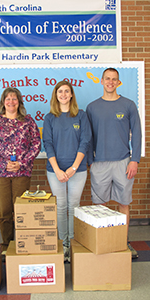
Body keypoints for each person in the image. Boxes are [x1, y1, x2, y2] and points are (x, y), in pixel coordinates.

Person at [86, 68, 142, 259]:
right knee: (99, 205)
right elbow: (88, 137)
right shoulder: (92, 107)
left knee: (123, 203)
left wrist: (134, 160)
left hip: (123, 162)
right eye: (107, 79)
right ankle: (102, 240)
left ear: (119, 83)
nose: (111, 82)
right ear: (101, 81)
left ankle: (123, 241)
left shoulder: (128, 105)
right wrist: (90, 162)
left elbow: (137, 134)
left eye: (114, 79)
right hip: (99, 163)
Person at [0, 87, 41, 252]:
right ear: (3, 102)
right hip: (0, 173)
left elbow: (36, 144)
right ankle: (7, 245)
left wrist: (21, 163)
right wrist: (3, 163)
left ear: (19, 102)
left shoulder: (28, 121)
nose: (11, 102)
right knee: (5, 211)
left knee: (21, 210)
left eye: (14, 99)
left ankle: (23, 243)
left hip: (21, 172)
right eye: (7, 99)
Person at [43, 80, 92, 262]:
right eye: (60, 92)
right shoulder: (49, 118)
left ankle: (72, 242)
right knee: (60, 206)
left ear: (71, 95)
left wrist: (73, 168)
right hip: (55, 170)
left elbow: (85, 142)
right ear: (55, 95)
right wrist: (57, 170)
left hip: (77, 170)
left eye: (66, 91)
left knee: (74, 206)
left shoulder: (81, 115)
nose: (63, 94)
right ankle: (63, 242)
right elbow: (47, 144)